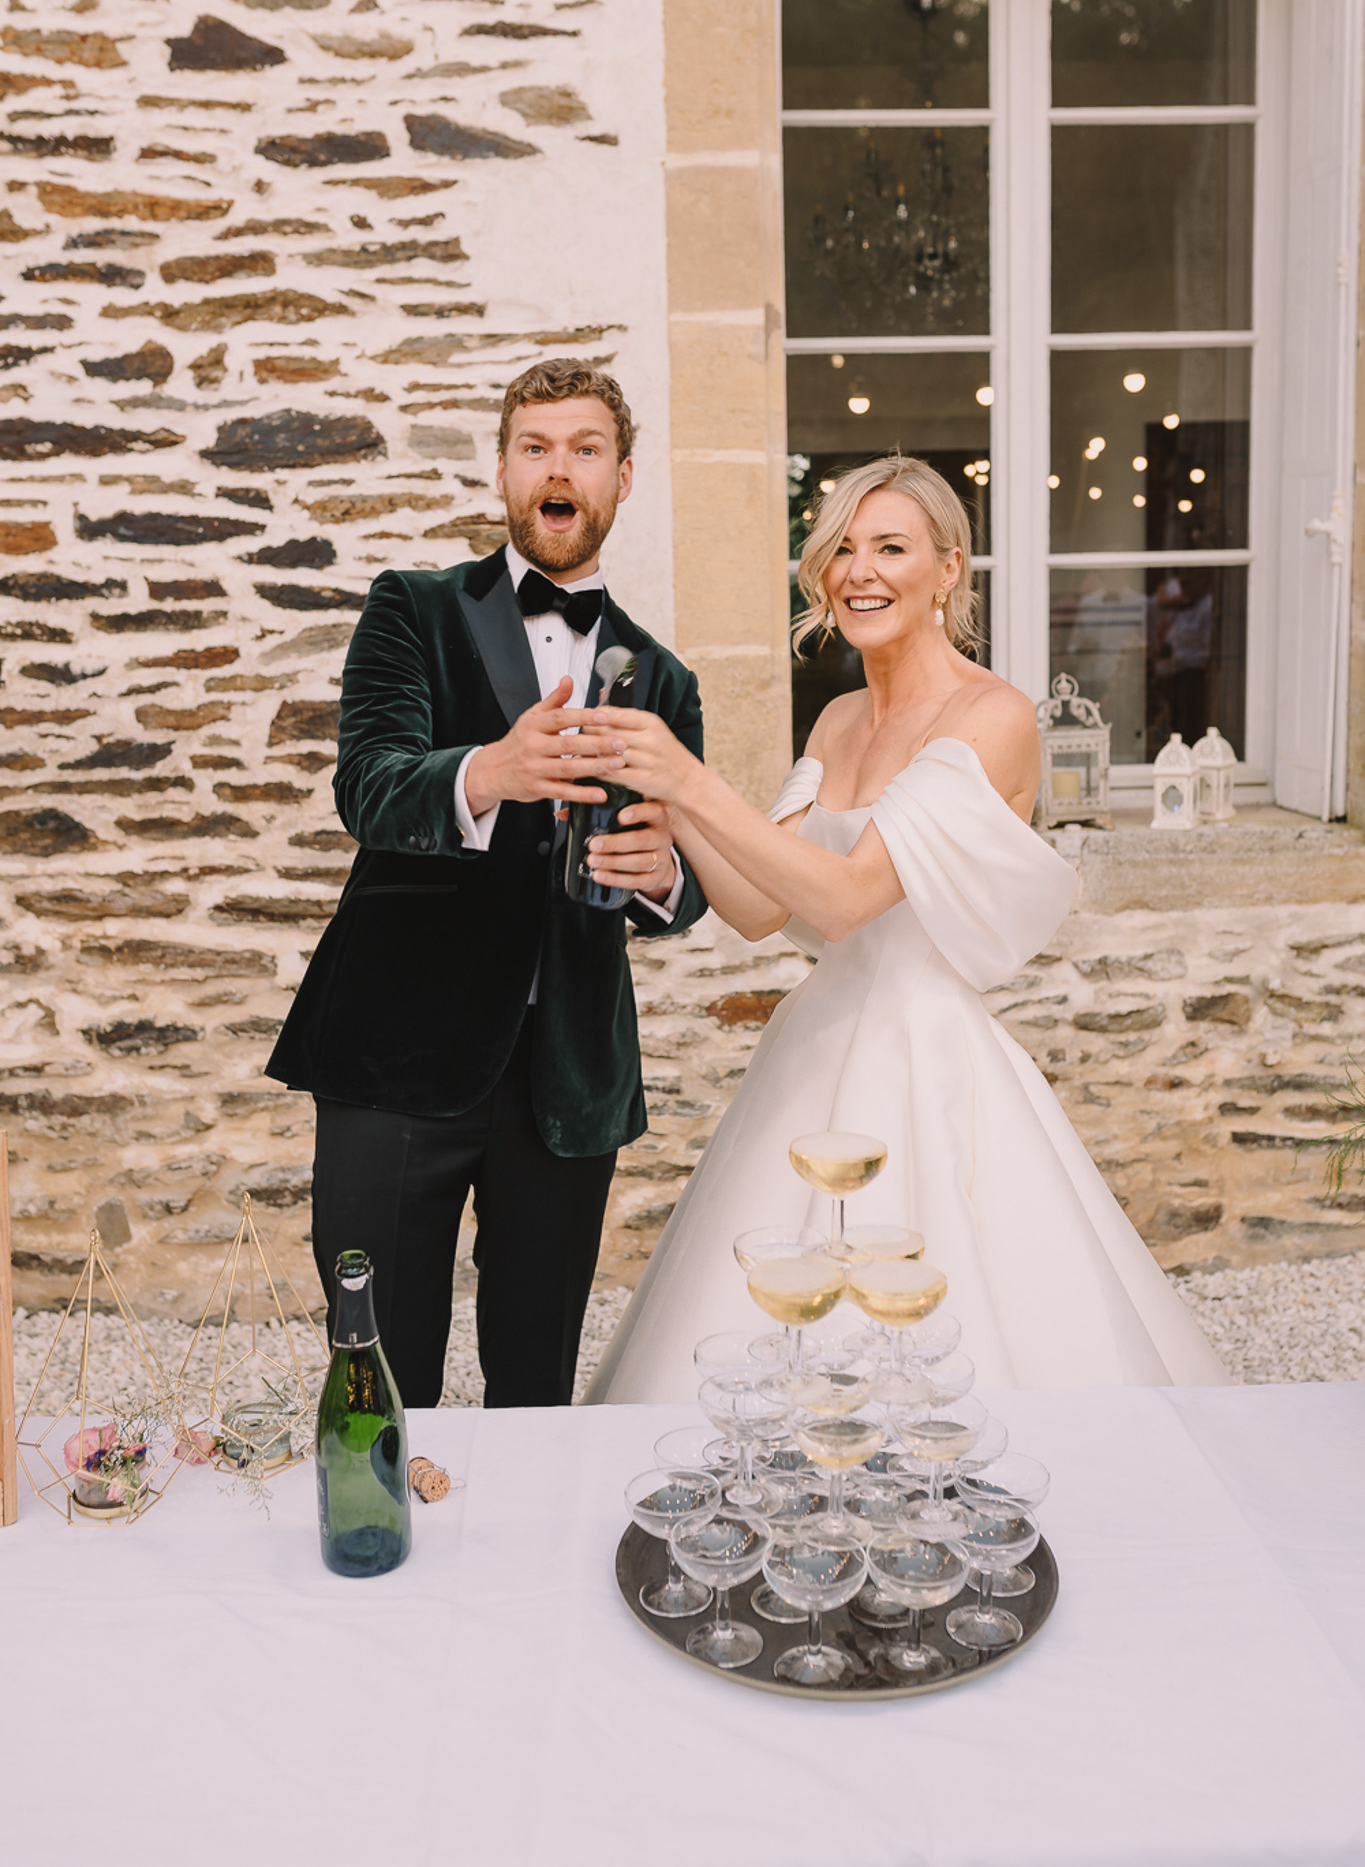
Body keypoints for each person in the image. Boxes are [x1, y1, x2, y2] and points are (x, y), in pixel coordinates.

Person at [582, 455, 1228, 1400]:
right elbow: (765, 910)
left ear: (949, 569)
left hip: (927, 1052)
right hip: (814, 1043)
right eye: (841, 548)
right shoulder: (837, 719)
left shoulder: (990, 715)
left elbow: (845, 898)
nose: (859, 572)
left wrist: (691, 779)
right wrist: (673, 812)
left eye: (890, 547)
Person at [266, 359, 709, 1408]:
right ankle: (377, 1552)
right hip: (395, 1055)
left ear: (623, 476)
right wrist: (489, 770)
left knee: (535, 1390)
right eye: (537, 446)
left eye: (586, 449)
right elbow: (367, 787)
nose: (560, 468)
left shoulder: (669, 679)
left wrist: (664, 880)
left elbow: (691, 880)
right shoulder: (411, 609)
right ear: (505, 468)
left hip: (566, 1084)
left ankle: (522, 1570)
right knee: (377, 1373)